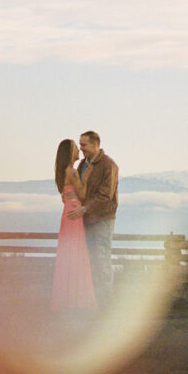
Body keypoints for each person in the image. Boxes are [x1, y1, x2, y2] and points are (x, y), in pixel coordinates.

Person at [67, 130, 119, 305]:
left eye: (84, 145)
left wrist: (83, 208)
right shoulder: (83, 164)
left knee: (102, 259)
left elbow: (105, 196)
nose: (81, 149)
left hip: (102, 220)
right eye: (80, 145)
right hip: (87, 219)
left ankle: (106, 303)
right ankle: (93, 301)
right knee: (90, 260)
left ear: (95, 144)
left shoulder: (108, 165)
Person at [50, 138, 96, 310]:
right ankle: (78, 298)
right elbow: (83, 193)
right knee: (78, 253)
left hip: (67, 212)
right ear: (70, 153)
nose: (79, 151)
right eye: (76, 148)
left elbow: (65, 194)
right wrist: (89, 173)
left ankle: (66, 298)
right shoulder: (72, 171)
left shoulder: (61, 172)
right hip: (75, 212)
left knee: (67, 253)